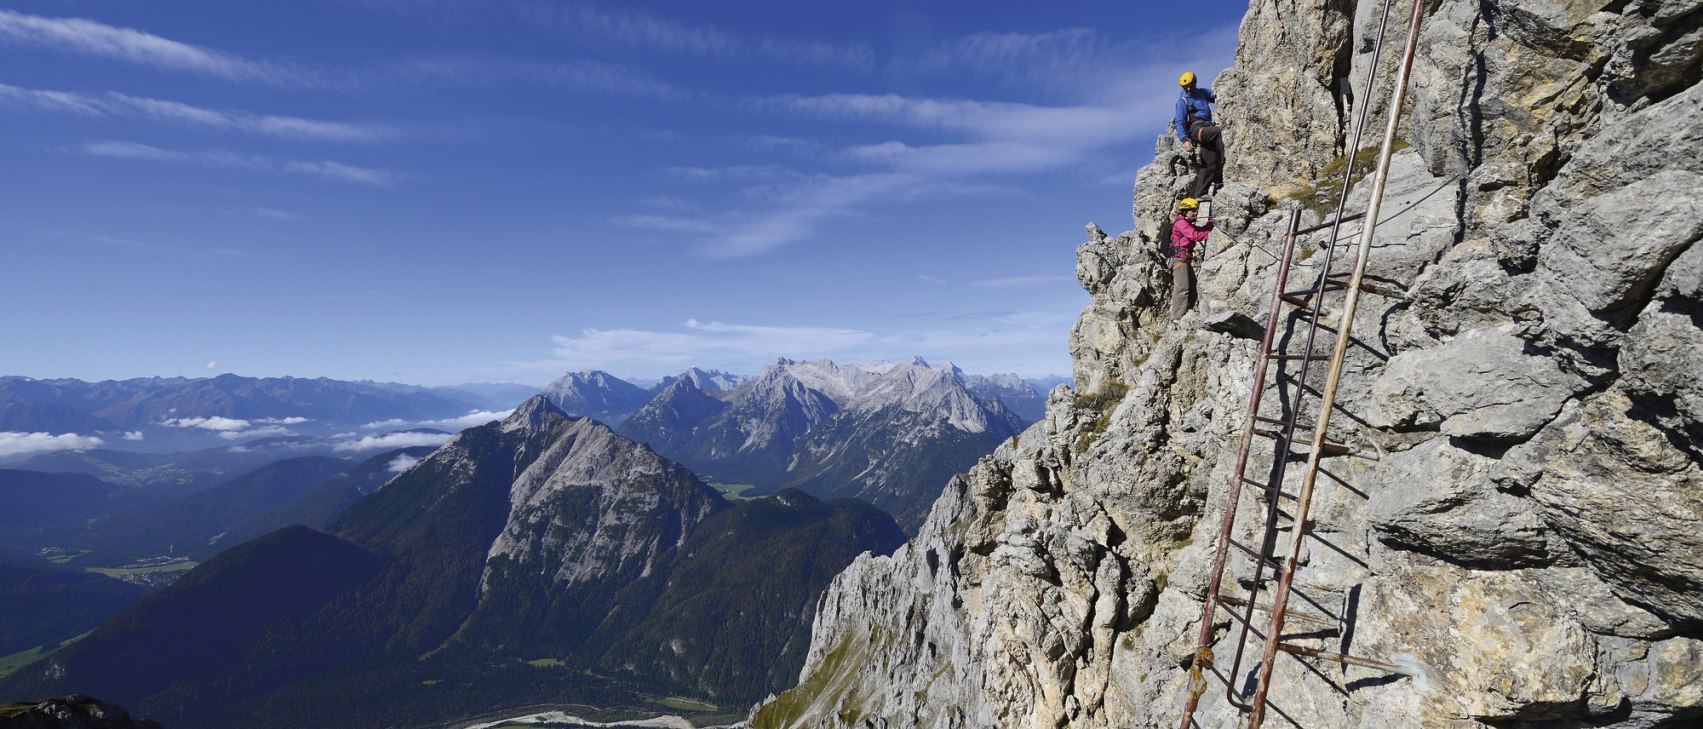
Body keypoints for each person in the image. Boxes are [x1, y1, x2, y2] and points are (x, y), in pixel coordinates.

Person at [1174, 72, 1224, 199]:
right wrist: (1185, 140)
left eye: (1190, 86)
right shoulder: (1182, 102)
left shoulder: (1202, 93)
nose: (1188, 89)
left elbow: (1218, 97)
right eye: (1185, 87)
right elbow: (1179, 122)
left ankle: (1201, 193)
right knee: (1220, 132)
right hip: (1197, 131)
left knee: (1209, 161)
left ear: (1195, 82)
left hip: (1207, 128)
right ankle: (1224, 165)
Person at [1170, 197, 1213, 321]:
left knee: (1193, 288)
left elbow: (1199, 231)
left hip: (1185, 259)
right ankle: (1177, 318)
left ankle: (1187, 314)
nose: (1196, 213)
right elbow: (1195, 235)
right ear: (1184, 211)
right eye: (1192, 211)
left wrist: (1210, 223)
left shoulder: (1187, 223)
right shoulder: (1181, 223)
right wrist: (1213, 234)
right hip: (1180, 259)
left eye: (1196, 210)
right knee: (1182, 288)